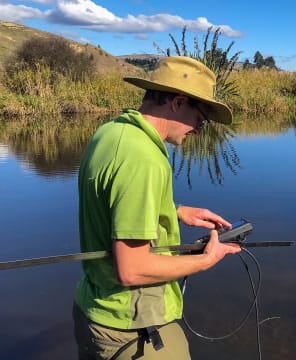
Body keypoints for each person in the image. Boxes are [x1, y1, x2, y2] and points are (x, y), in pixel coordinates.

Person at [73, 56, 241, 360]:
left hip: (93, 310)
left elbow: (112, 198)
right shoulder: (144, 159)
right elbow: (132, 268)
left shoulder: (111, 133)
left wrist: (173, 210)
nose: (199, 131)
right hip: (132, 328)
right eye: (201, 119)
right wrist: (204, 260)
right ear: (177, 102)